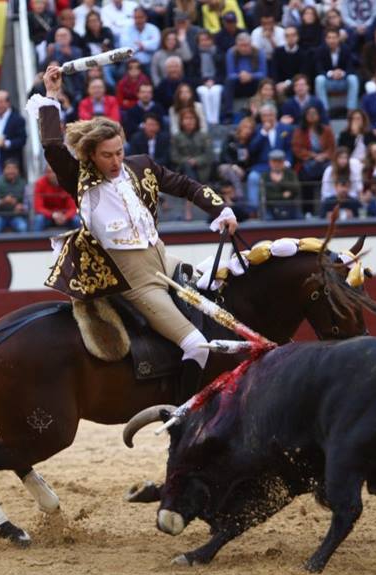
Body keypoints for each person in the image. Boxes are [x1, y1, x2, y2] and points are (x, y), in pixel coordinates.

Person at [33, 64, 237, 403]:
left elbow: (184, 185)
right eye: (106, 156)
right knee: (196, 345)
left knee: (220, 282)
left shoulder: (140, 166)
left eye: (119, 152)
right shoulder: (80, 180)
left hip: (162, 259)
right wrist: (52, 95)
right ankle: (183, 415)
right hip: (136, 281)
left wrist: (221, 210)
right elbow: (54, 146)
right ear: (91, 155)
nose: (115, 161)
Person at [170, 107, 215, 220]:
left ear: (196, 121)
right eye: (186, 118)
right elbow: (174, 156)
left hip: (202, 170)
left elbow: (209, 155)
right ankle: (193, 198)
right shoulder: (177, 137)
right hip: (183, 171)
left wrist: (196, 161)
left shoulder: (204, 136)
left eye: (191, 118)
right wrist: (187, 161)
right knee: (187, 166)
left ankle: (189, 205)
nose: (189, 121)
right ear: (181, 121)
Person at [247, 103, 293, 211]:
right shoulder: (257, 130)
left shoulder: (285, 129)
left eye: (270, 115)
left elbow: (289, 149)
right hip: (263, 166)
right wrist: (263, 133)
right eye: (264, 115)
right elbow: (252, 149)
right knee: (252, 177)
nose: (267, 118)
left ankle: (288, 210)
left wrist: (288, 162)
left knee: (290, 177)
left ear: (275, 115)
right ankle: (254, 210)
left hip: (281, 165)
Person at [292, 104, 335, 215]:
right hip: (306, 162)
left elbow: (332, 148)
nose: (312, 116)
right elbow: (297, 149)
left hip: (324, 161)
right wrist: (313, 156)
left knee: (329, 173)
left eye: (314, 113)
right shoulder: (299, 131)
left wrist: (324, 156)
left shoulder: (327, 130)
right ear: (305, 116)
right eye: (309, 114)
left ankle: (327, 210)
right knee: (304, 178)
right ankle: (308, 212)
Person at [313, 28, 359, 113]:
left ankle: (351, 110)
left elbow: (351, 68)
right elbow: (318, 69)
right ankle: (324, 111)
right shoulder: (320, 50)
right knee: (319, 79)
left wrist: (342, 73)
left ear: (338, 38)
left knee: (353, 79)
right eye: (329, 38)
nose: (332, 40)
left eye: (334, 37)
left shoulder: (346, 49)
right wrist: (331, 73)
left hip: (343, 80)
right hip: (328, 80)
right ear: (325, 39)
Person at [222, 33, 267, 119]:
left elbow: (263, 73)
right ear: (236, 45)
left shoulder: (259, 52)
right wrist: (240, 76)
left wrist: (250, 76)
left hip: (253, 83)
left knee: (263, 82)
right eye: (241, 46)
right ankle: (228, 113)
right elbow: (230, 74)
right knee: (229, 81)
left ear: (251, 44)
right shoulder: (231, 52)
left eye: (246, 45)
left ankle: (259, 112)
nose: (244, 48)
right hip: (238, 84)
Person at [217, 116, 255, 205]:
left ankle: (230, 198)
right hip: (226, 167)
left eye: (250, 128)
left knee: (232, 172)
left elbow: (249, 163)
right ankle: (239, 195)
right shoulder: (231, 137)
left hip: (242, 171)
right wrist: (234, 166)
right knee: (226, 169)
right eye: (246, 127)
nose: (248, 130)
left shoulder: (252, 143)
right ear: (240, 127)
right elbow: (224, 155)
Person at [32, 163, 80, 231]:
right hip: (48, 217)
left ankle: (81, 241)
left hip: (65, 217)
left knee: (77, 220)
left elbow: (73, 208)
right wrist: (53, 215)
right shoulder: (40, 183)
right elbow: (38, 207)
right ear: (45, 173)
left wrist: (65, 217)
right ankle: (36, 241)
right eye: (49, 172)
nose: (52, 175)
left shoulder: (68, 183)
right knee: (38, 219)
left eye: (55, 171)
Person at [191, 30, 225, 125]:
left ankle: (215, 120)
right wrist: (204, 82)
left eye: (207, 39)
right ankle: (208, 120)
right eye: (202, 40)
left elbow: (223, 73)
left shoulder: (218, 53)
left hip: (216, 82)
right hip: (201, 83)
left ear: (211, 41)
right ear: (198, 43)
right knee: (204, 92)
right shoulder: (195, 56)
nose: (205, 42)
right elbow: (192, 76)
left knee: (215, 91)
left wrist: (213, 81)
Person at [0, 159, 28, 234]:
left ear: (18, 171)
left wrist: (21, 207)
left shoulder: (24, 183)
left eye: (14, 168)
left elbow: (28, 206)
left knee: (23, 227)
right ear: (3, 170)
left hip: (16, 216)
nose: (11, 171)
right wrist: (3, 201)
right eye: (8, 168)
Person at [261, 148, 301, 220]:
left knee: (300, 219)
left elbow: (297, 189)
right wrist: (283, 195)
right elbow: (267, 195)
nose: (277, 164)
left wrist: (280, 182)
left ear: (283, 162)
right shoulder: (265, 176)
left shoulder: (291, 174)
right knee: (267, 220)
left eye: (279, 161)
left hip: (290, 206)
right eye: (274, 161)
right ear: (269, 162)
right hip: (272, 208)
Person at [271, 26, 309, 96]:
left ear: (297, 37)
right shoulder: (278, 52)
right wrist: (278, 83)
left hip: (296, 84)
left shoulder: (304, 53)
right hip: (279, 85)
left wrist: (287, 83)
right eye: (287, 36)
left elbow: (303, 73)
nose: (290, 38)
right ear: (284, 38)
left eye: (293, 35)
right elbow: (274, 71)